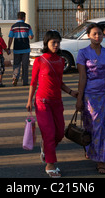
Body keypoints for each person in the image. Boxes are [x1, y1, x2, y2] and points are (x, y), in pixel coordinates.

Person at [26, 30, 77, 178]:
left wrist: (71, 92)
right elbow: (33, 82)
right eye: (53, 42)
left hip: (57, 102)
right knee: (49, 133)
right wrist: (29, 100)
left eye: (58, 42)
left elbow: (60, 82)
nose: (56, 45)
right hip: (42, 102)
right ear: (46, 43)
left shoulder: (61, 61)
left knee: (60, 133)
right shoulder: (40, 60)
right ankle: (50, 164)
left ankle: (45, 149)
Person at [76, 23, 105, 174]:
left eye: (100, 33)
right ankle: (90, 148)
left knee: (102, 127)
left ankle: (101, 160)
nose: (98, 36)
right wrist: (79, 99)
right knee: (90, 125)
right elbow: (82, 77)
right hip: (89, 94)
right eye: (94, 34)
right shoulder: (83, 52)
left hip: (104, 93)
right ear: (88, 36)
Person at [8, 11, 34, 86]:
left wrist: (9, 47)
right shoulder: (27, 26)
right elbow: (31, 36)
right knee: (25, 65)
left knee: (16, 64)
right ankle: (24, 82)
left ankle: (15, 77)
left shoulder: (13, 26)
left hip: (16, 49)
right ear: (23, 17)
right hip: (26, 49)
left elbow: (10, 38)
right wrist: (30, 36)